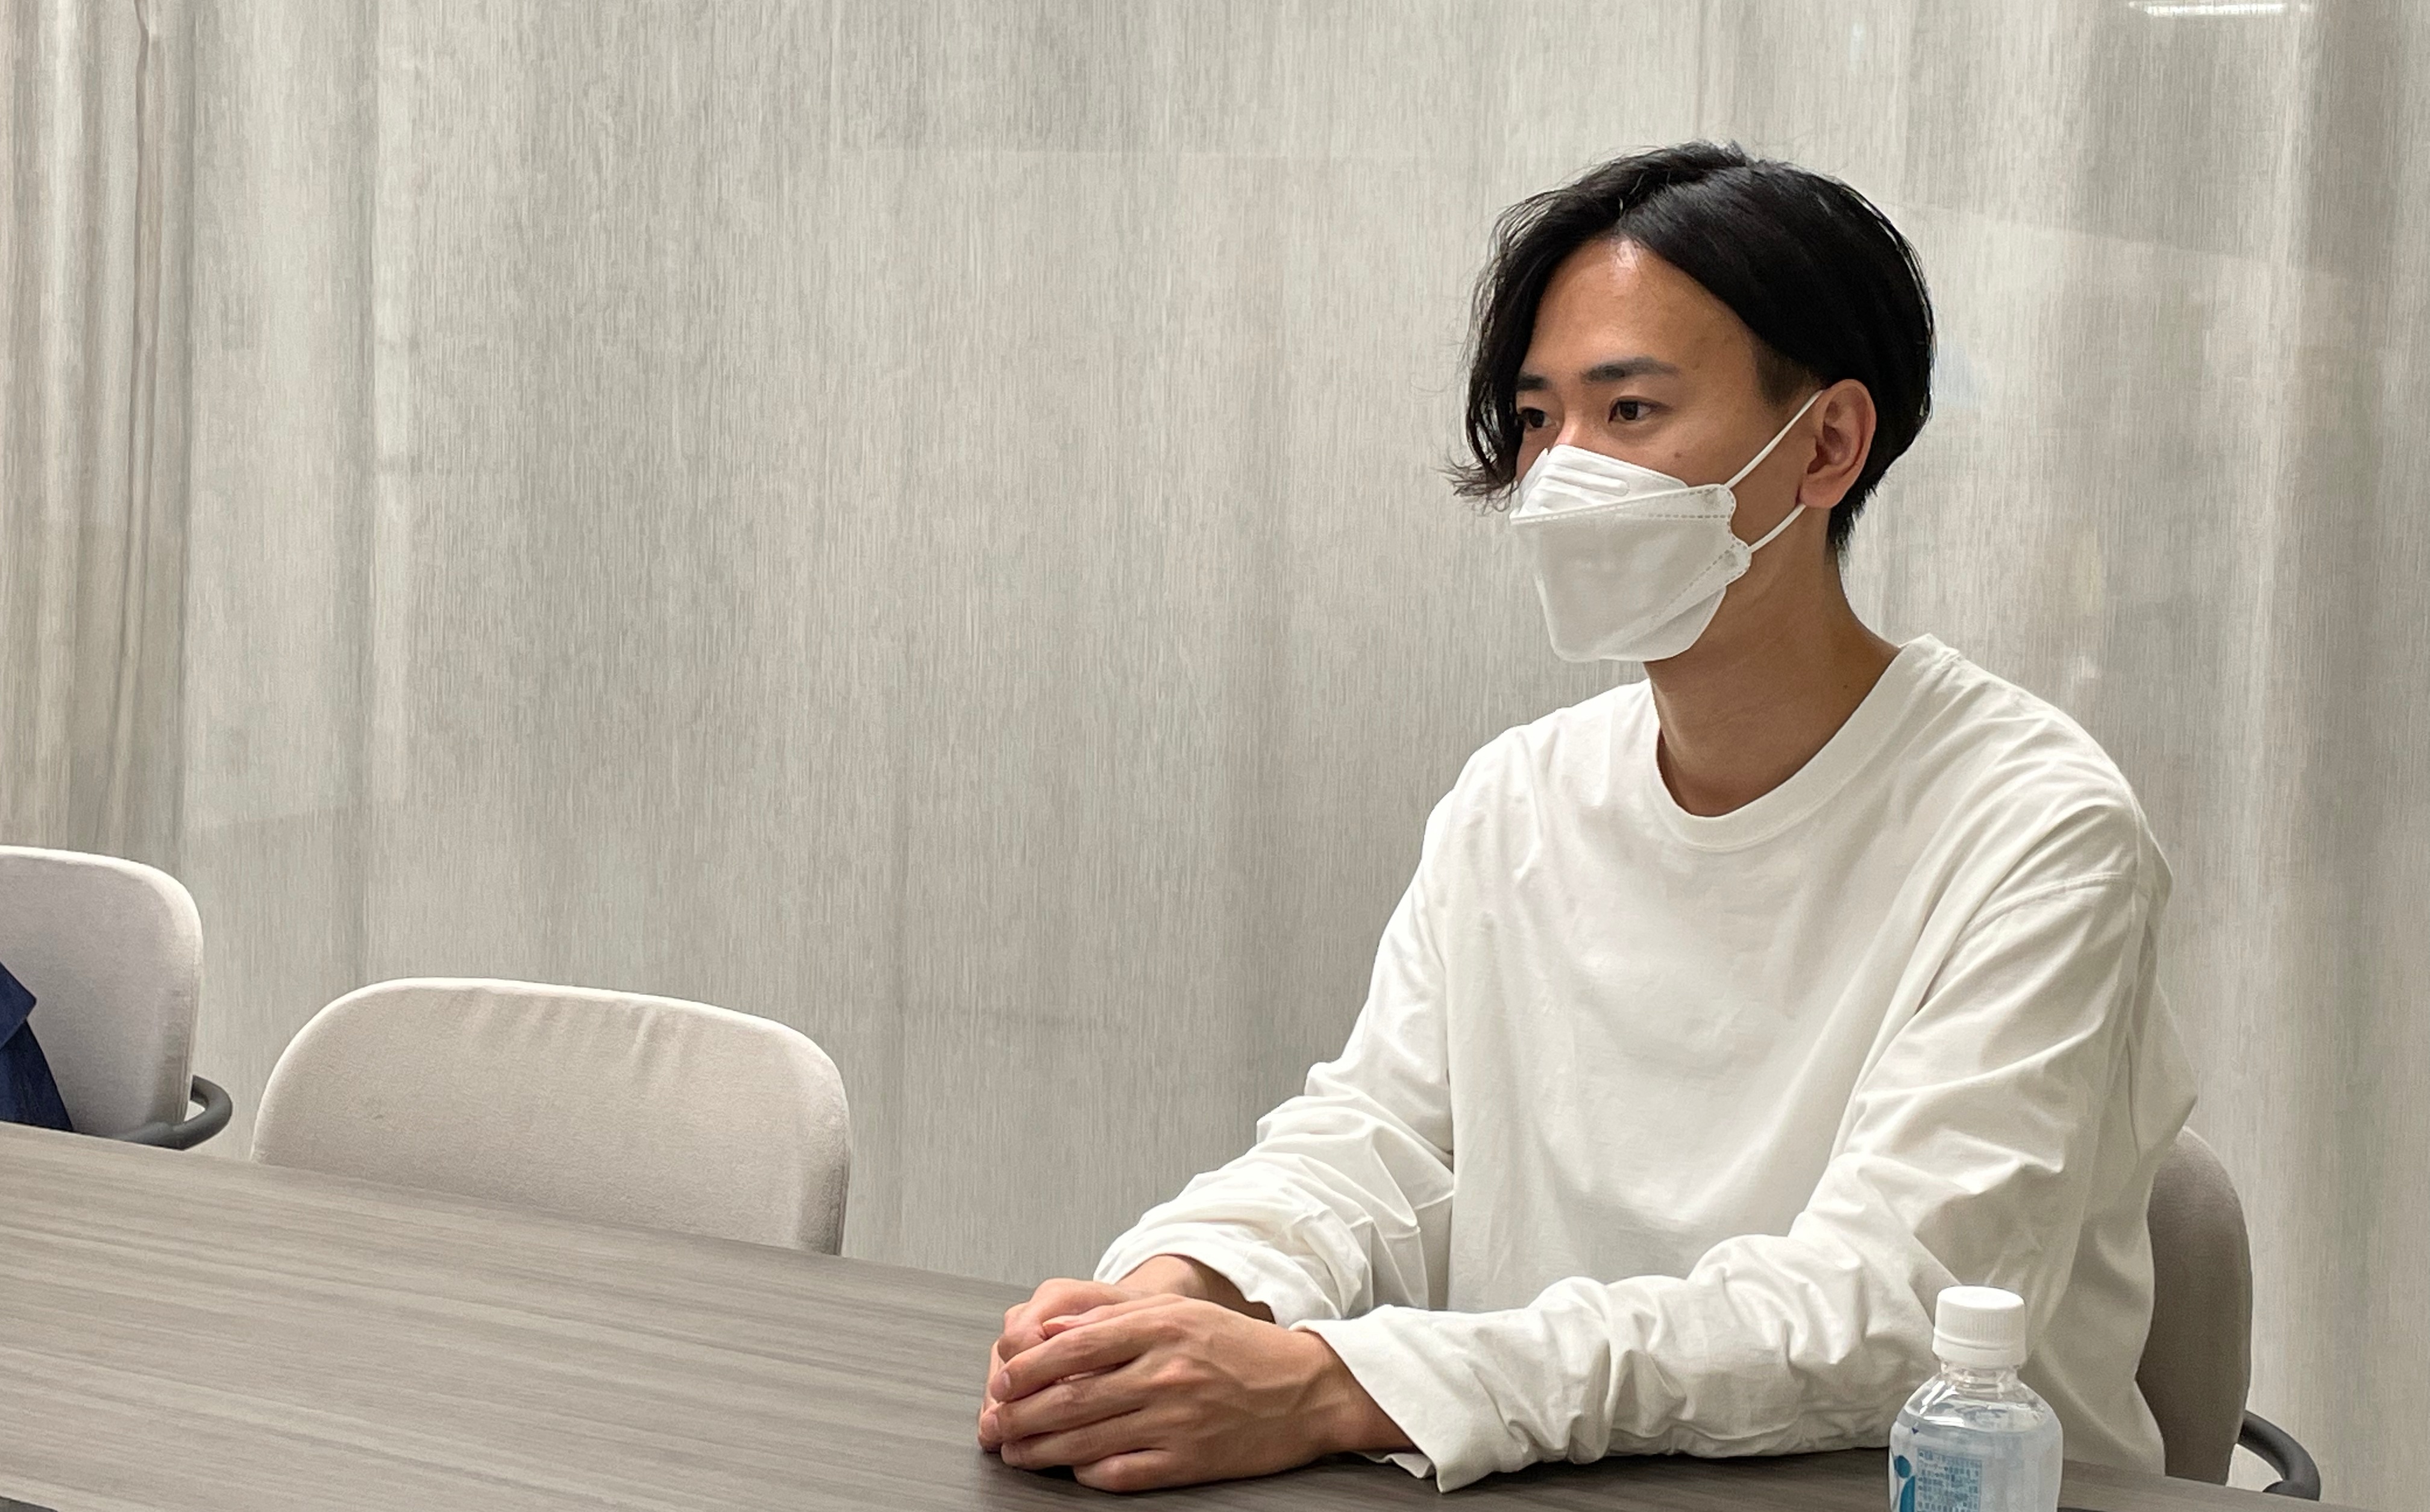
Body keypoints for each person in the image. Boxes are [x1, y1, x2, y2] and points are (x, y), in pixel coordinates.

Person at [977, 141, 2193, 1494]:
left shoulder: (2039, 832)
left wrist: (1337, 1384)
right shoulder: (1517, 800)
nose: (1562, 471)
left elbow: (1881, 1316)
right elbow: (1378, 1144)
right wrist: (1171, 1293)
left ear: (1827, 445)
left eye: (1629, 410)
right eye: (1539, 418)